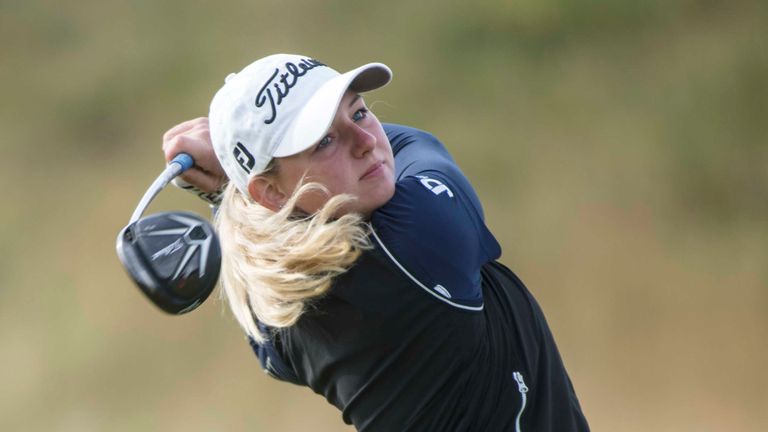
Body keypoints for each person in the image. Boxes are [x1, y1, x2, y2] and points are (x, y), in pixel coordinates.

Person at [162, 53, 590, 431]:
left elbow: (269, 354)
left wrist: (228, 190)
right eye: (325, 141)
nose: (366, 143)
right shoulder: (416, 244)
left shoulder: (283, 305)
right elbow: (419, 146)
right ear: (271, 193)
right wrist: (230, 179)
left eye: (360, 113)